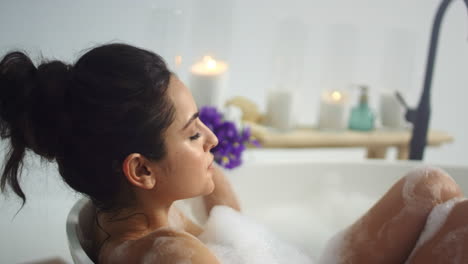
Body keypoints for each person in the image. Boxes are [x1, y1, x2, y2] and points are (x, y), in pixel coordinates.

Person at [0, 43, 467, 264]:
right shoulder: (173, 255)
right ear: (141, 169)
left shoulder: (132, 215)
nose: (213, 139)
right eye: (192, 133)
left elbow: (233, 232)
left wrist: (201, 164)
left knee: (428, 186)